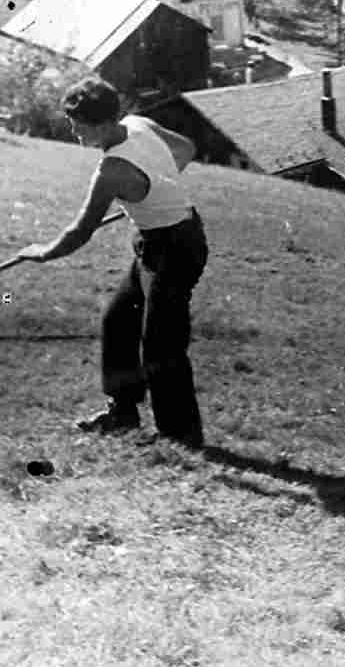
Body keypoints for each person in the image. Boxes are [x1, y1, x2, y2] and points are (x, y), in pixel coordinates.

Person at [17, 77, 209, 449]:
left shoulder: (111, 172)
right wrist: (156, 187)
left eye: (78, 125)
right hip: (155, 240)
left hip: (175, 248)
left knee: (161, 345)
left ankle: (181, 439)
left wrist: (41, 251)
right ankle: (123, 412)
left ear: (103, 125)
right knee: (118, 320)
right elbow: (186, 148)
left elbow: (80, 232)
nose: (72, 130)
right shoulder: (138, 123)